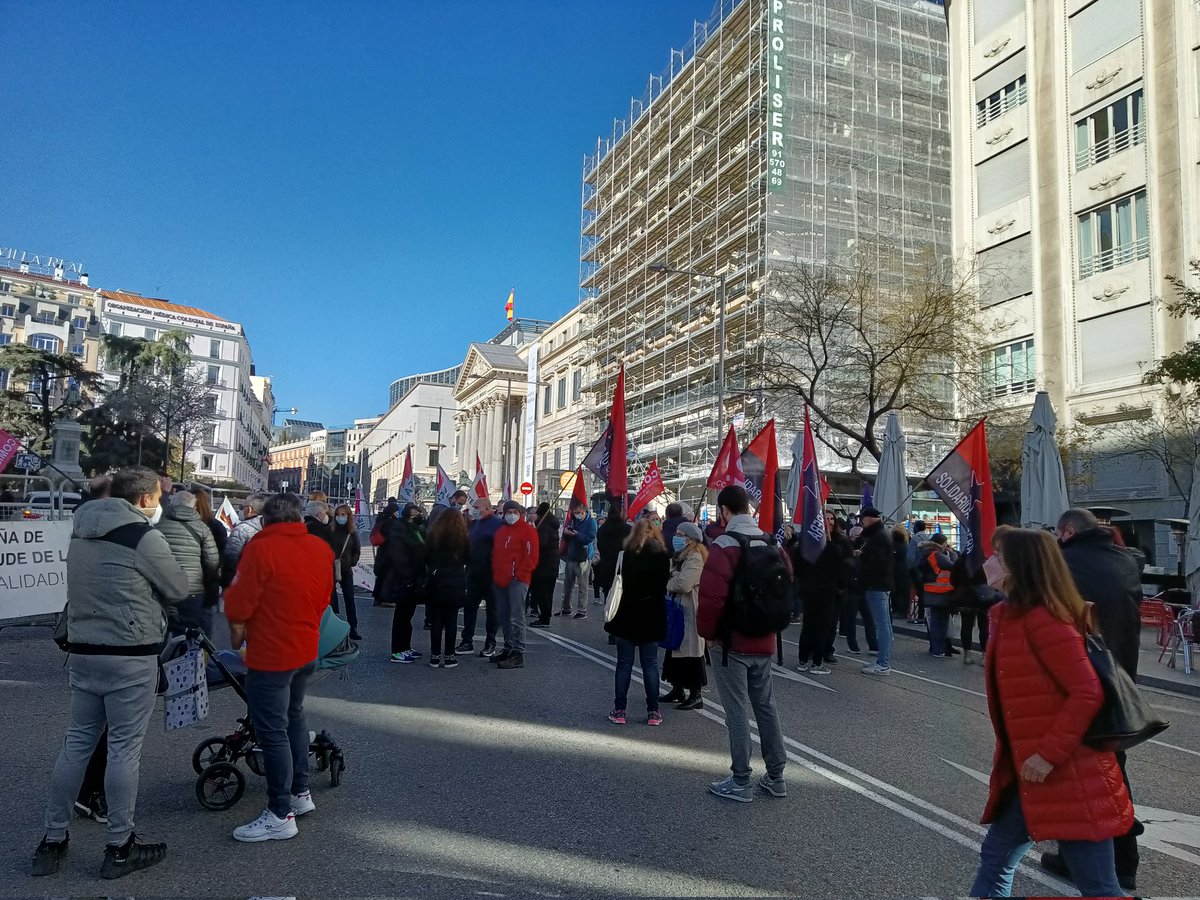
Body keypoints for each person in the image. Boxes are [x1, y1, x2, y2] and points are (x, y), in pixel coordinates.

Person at [31, 466, 188, 879]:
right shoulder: (143, 536)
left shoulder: (81, 530)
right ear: (143, 500)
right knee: (123, 750)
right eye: (158, 497)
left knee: (77, 743)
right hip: (130, 653)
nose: (159, 504)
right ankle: (120, 846)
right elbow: (177, 588)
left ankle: (52, 840)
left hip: (84, 651)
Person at [970, 528, 1132, 898]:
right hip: (1032, 775)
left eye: (997, 555)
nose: (989, 562)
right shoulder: (1007, 615)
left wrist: (1047, 754)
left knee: (1099, 887)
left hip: (1070, 776)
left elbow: (1086, 691)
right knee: (996, 858)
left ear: (1019, 566)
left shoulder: (1045, 620)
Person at [1040, 508, 1145, 891]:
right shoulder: (1126, 561)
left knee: (1080, 772)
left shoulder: (1065, 563)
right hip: (1121, 677)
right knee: (1112, 769)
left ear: (1067, 532)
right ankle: (1123, 860)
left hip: (1081, 677)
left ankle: (1088, 860)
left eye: (1057, 531)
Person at [224, 493, 334, 843]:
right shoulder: (319, 548)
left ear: (265, 520)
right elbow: (325, 598)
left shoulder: (261, 548)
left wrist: (238, 634)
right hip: (306, 646)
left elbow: (239, 602)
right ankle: (300, 794)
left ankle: (279, 812)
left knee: (272, 730)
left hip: (272, 651)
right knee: (295, 717)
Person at [696, 485, 791, 802]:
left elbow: (710, 599)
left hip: (731, 643)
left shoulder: (724, 546)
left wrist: (707, 634)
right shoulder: (771, 542)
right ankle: (776, 776)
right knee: (766, 707)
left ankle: (740, 780)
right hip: (764, 639)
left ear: (724, 511)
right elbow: (785, 582)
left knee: (736, 711)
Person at [605, 518, 671, 725]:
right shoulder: (663, 557)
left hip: (626, 614)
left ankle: (620, 710)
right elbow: (664, 587)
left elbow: (614, 582)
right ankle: (653, 711)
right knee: (650, 664)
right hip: (652, 615)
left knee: (624, 664)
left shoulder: (625, 556)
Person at [155, 491, 220, 635]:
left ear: (173, 503)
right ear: (194, 506)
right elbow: (212, 561)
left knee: (161, 631)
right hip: (191, 588)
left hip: (162, 586)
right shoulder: (202, 528)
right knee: (190, 632)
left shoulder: (159, 524)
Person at [795, 511, 851, 675]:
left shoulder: (811, 544)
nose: (828, 522)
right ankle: (815, 662)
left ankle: (805, 659)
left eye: (831, 518)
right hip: (825, 591)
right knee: (819, 626)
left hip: (814, 589)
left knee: (814, 625)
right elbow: (840, 570)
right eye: (825, 519)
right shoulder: (830, 547)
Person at [660, 521, 708, 710]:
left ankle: (696, 694)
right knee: (674, 650)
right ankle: (677, 689)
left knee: (691, 653)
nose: (676, 537)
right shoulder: (680, 557)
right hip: (677, 608)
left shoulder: (695, 557)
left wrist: (670, 580)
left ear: (690, 539)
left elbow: (683, 584)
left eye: (680, 534)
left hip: (688, 609)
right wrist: (673, 576)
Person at [491, 500, 539, 669]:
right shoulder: (501, 531)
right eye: (508, 511)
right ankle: (508, 647)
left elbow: (531, 557)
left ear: (520, 513)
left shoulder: (528, 531)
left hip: (517, 580)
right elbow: (496, 554)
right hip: (500, 579)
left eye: (514, 511)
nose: (511, 514)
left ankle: (518, 653)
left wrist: (519, 574)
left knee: (517, 617)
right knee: (504, 616)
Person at [424, 506, 469, 668]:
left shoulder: (434, 536)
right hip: (456, 583)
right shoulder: (463, 538)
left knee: (436, 621)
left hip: (437, 582)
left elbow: (427, 558)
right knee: (451, 621)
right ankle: (449, 656)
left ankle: (435, 656)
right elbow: (469, 559)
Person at [459, 498, 503, 656]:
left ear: (486, 508)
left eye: (476, 507)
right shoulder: (475, 524)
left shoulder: (498, 524)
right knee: (470, 607)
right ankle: (467, 641)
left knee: (492, 609)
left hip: (491, 574)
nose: (474, 509)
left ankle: (490, 643)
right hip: (473, 572)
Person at [856, 507, 895, 676]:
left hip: (877, 584)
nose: (861, 522)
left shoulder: (878, 537)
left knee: (882, 625)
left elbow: (876, 562)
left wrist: (861, 555)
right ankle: (883, 660)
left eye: (862, 518)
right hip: (881, 584)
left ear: (869, 518)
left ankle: (883, 663)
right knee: (884, 624)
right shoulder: (881, 534)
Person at [387, 503, 427, 663]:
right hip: (404, 579)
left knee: (408, 616)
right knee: (401, 617)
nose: (419, 515)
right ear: (408, 514)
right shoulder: (400, 530)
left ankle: (406, 647)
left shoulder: (416, 530)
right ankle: (397, 650)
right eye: (416, 512)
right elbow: (399, 557)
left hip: (414, 578)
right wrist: (408, 577)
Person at [918, 532, 958, 658]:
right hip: (942, 592)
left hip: (930, 591)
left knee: (934, 622)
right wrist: (953, 554)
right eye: (946, 542)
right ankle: (939, 648)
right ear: (941, 543)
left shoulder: (925, 553)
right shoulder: (937, 555)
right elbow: (953, 566)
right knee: (941, 622)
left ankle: (936, 647)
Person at [192, 489, 228, 622]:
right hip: (208, 576)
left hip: (188, 575)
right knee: (205, 615)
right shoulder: (216, 525)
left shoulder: (181, 524)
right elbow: (224, 550)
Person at [328, 503, 362, 640]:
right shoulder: (330, 530)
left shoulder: (352, 533)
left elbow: (356, 550)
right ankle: (333, 626)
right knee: (331, 598)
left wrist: (351, 562)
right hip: (330, 568)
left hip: (346, 569)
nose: (340, 517)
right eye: (338, 515)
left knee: (349, 598)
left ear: (348, 516)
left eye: (343, 515)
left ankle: (353, 627)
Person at [558, 499, 597, 618]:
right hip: (571, 555)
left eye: (578, 512)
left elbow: (589, 538)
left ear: (584, 510)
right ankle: (566, 608)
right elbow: (566, 533)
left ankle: (582, 610)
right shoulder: (572, 520)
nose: (577, 515)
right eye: (575, 512)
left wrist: (576, 535)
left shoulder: (591, 522)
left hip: (583, 557)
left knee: (582, 586)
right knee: (567, 584)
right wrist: (566, 532)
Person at [223, 493, 268, 588]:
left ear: (250, 509)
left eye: (242, 507)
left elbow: (231, 557)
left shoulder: (242, 529)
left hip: (240, 579)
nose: (241, 510)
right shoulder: (269, 526)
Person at [529, 502, 560, 629]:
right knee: (548, 593)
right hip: (552, 565)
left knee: (541, 593)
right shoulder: (551, 524)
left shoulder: (544, 527)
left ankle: (544, 617)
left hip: (543, 566)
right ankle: (546, 615)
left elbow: (541, 544)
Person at [594, 501, 631, 605]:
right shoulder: (627, 529)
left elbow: (600, 547)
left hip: (606, 567)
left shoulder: (602, 529)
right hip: (623, 569)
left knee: (609, 601)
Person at [370, 501, 400, 607]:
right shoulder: (392, 522)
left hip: (382, 552)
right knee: (389, 577)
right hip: (390, 552)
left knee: (381, 576)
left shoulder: (381, 518)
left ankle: (377, 598)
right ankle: (386, 598)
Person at [906, 518, 930, 623]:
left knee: (918, 593)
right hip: (926, 570)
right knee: (923, 594)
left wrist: (909, 568)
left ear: (916, 528)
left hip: (916, 570)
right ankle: (924, 615)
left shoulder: (915, 539)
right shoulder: (929, 538)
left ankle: (919, 616)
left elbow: (910, 557)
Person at [890, 525, 911, 619]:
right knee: (903, 592)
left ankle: (897, 611)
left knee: (896, 592)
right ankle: (903, 611)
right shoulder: (906, 544)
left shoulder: (894, 545)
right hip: (905, 570)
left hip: (896, 571)